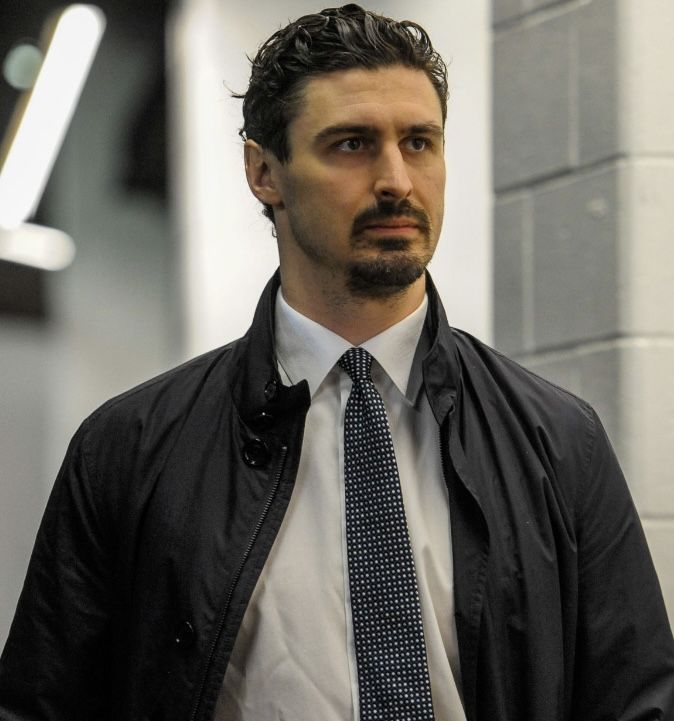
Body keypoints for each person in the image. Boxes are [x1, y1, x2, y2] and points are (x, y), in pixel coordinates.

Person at [1, 4, 673, 720]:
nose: (396, 180)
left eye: (419, 142)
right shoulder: (130, 449)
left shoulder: (558, 443)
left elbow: (636, 704)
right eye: (352, 144)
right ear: (264, 171)